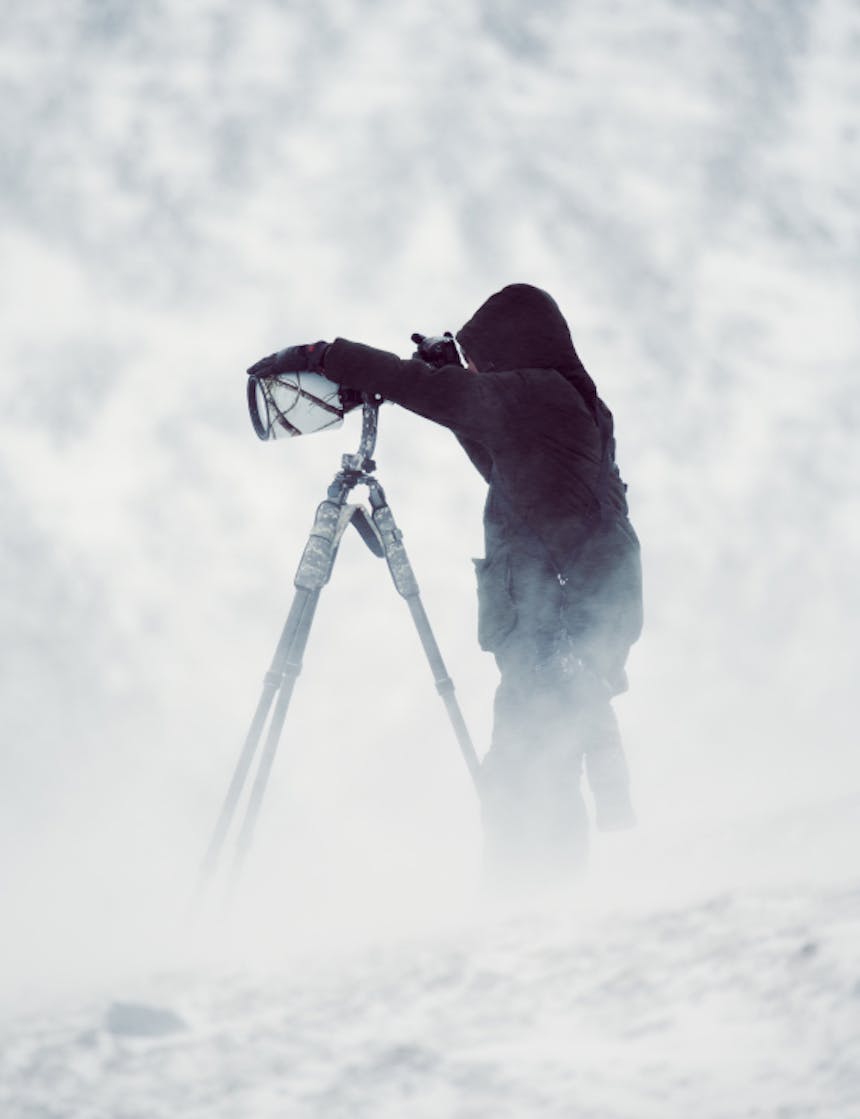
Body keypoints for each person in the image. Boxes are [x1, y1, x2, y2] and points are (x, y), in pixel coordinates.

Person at [248, 283, 643, 889]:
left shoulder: (541, 396)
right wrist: (451, 374)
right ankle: (542, 906)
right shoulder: (564, 405)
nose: (478, 369)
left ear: (514, 349)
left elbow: (441, 396)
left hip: (559, 630)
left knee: (526, 775)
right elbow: (497, 451)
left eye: (483, 358)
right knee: (535, 770)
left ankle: (531, 910)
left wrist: (325, 355)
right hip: (566, 625)